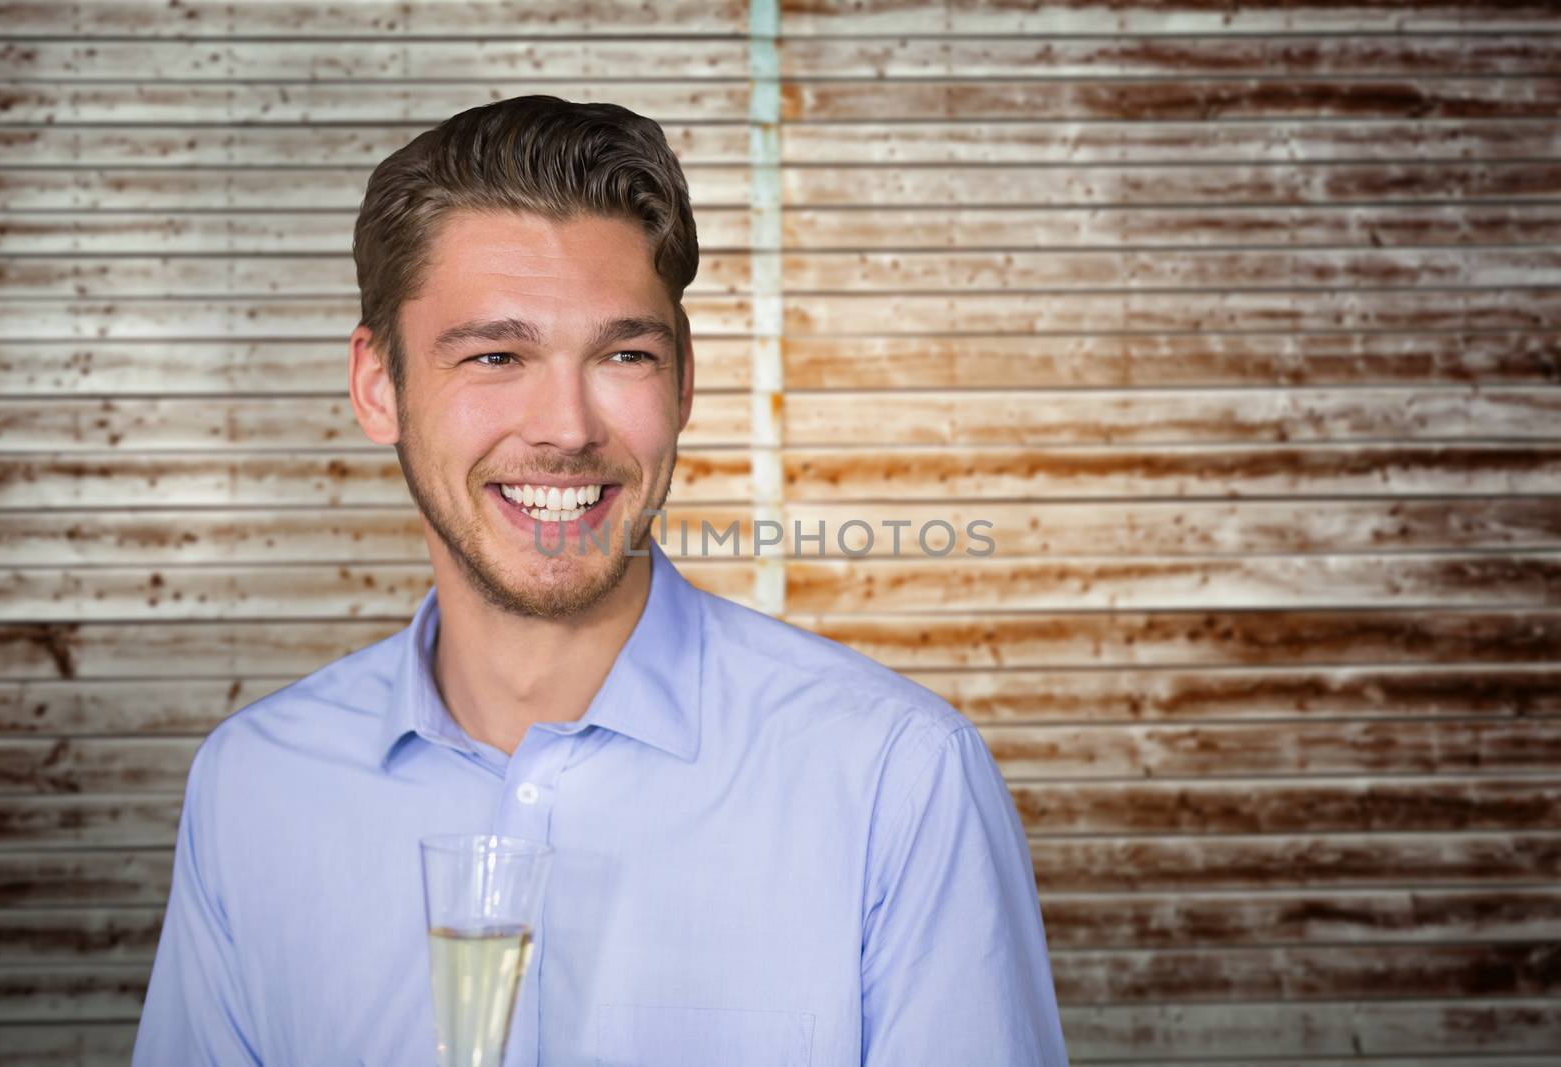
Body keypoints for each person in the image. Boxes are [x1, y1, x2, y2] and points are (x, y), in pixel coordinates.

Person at [133, 95, 1067, 1066]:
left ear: (684, 383)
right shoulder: (252, 789)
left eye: (623, 354)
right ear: (379, 386)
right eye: (497, 354)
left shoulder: (898, 783)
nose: (567, 427)